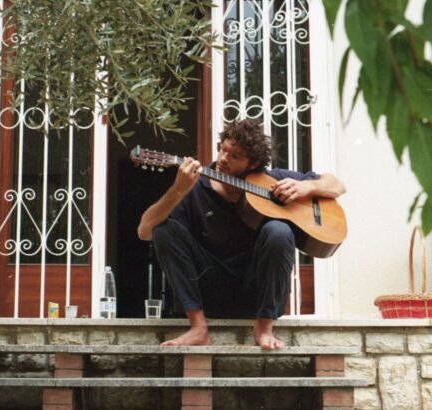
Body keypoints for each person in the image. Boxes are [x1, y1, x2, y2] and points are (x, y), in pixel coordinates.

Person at [137, 119, 346, 349]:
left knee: (278, 230)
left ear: (253, 163)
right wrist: (177, 190)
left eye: (235, 156)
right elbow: (145, 231)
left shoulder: (272, 180)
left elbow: (336, 184)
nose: (224, 158)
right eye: (223, 149)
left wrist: (308, 187)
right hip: (211, 289)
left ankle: (264, 328)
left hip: (256, 291)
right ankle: (198, 329)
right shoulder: (196, 187)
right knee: (165, 230)